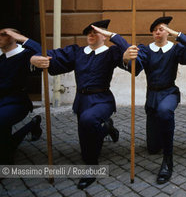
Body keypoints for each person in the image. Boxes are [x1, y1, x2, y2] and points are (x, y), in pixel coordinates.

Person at [30, 19, 129, 189]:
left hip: (102, 99)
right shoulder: (78, 52)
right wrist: (34, 58)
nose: (91, 35)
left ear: (104, 36)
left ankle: (92, 167)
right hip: (82, 101)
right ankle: (107, 128)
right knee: (85, 148)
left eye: (95, 32)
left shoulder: (111, 52)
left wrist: (116, 39)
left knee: (88, 121)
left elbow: (128, 55)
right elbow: (53, 58)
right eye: (88, 32)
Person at [122, 16, 186, 184]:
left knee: (165, 112)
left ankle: (168, 160)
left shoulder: (175, 49)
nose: (158, 32)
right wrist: (128, 59)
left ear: (168, 32)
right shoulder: (145, 50)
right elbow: (135, 70)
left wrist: (178, 34)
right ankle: (158, 144)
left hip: (169, 93)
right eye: (155, 30)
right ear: (152, 33)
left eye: (161, 29)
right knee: (152, 148)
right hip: (152, 96)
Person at [0, 21, 42, 165]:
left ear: (14, 37)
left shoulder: (26, 55)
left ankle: (5, 161)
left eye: (4, 34)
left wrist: (24, 39)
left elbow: (45, 53)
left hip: (16, 101)